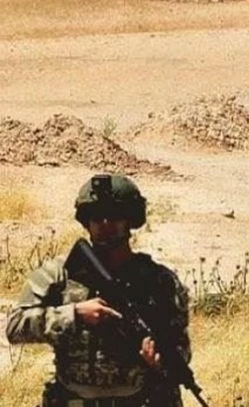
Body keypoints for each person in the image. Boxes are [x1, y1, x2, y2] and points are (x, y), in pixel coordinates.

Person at [5, 173, 191, 407]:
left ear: (130, 220)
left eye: (114, 216)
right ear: (86, 221)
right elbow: (15, 327)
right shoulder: (59, 275)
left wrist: (160, 359)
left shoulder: (159, 281)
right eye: (96, 216)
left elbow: (181, 346)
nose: (105, 224)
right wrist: (74, 315)